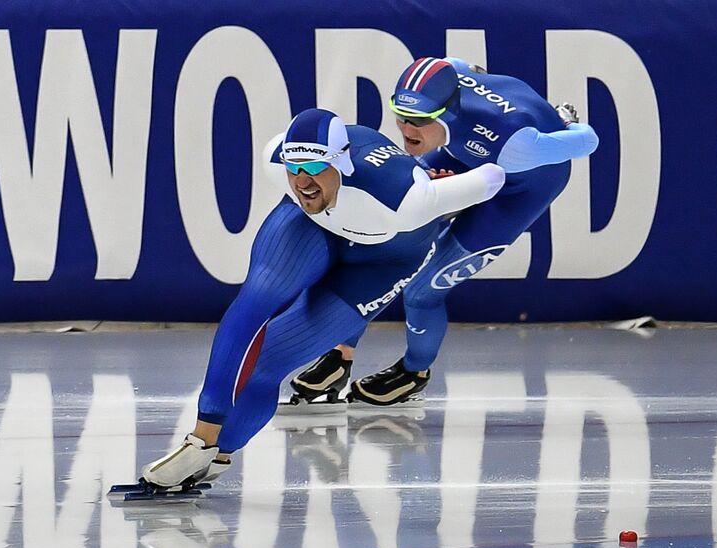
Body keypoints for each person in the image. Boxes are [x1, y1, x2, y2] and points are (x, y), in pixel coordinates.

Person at [136, 108, 505, 492]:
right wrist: (202, 433)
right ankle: (203, 445)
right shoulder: (275, 160)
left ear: (341, 162)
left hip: (385, 259)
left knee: (269, 362)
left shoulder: (408, 199)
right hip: (314, 224)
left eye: (314, 165)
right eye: (294, 166)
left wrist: (466, 177)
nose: (302, 179)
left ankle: (222, 455)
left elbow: (494, 177)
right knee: (255, 300)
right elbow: (248, 316)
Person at [286, 57, 599, 408]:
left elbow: (587, 142)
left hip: (520, 186)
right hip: (463, 154)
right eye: (400, 116)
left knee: (423, 290)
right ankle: (339, 354)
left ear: (448, 113)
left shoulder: (518, 146)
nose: (406, 129)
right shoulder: (447, 74)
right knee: (381, 243)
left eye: (419, 121)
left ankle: (413, 373)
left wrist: (565, 123)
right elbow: (465, 66)